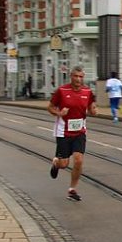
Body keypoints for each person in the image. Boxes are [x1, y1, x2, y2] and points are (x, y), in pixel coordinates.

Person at [47, 65, 97, 201]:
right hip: (63, 132)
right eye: (76, 76)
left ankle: (72, 189)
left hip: (79, 131)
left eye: (81, 77)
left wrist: (93, 110)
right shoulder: (62, 91)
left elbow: (91, 107)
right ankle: (56, 163)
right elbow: (50, 107)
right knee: (64, 164)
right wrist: (59, 113)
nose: (78, 79)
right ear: (71, 76)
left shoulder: (87, 91)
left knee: (79, 160)